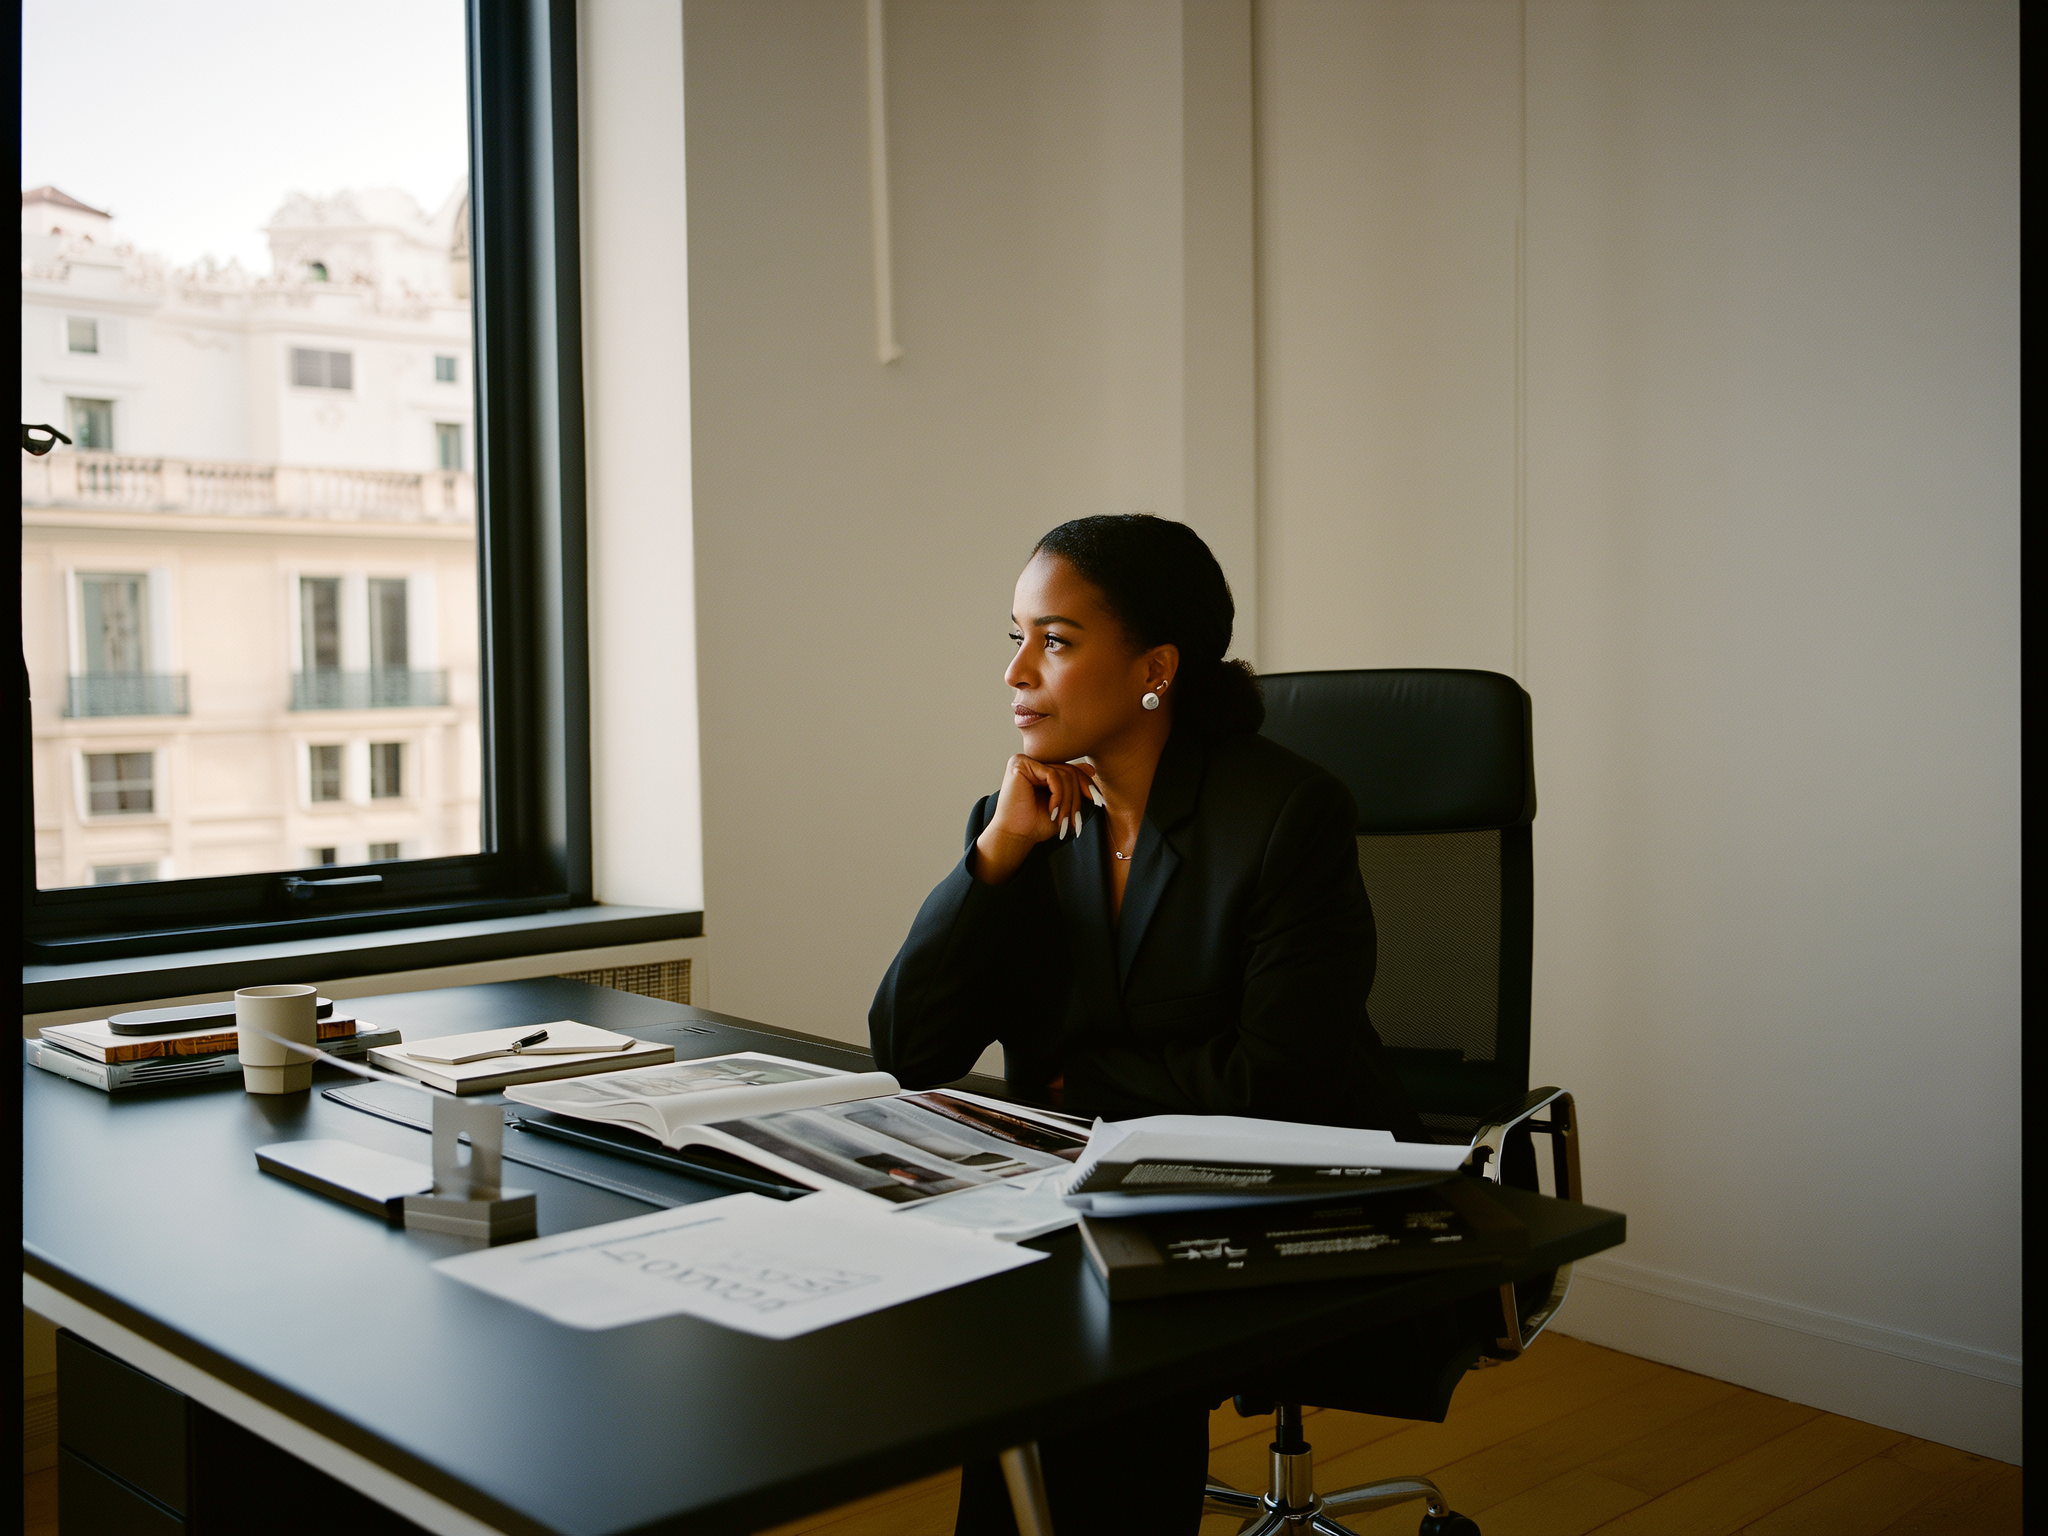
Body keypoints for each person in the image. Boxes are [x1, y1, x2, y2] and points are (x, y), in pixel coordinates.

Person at [869, 514, 1423, 1535]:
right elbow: (910, 1051)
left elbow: (1276, 1084)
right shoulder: (1027, 823)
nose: (1016, 673)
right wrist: (992, 858)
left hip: (1274, 1191)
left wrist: (1076, 1085)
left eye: (1058, 640)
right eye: (1015, 637)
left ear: (1154, 668)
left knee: (1092, 1340)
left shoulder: (1287, 815)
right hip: (1090, 1191)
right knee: (1014, 1318)